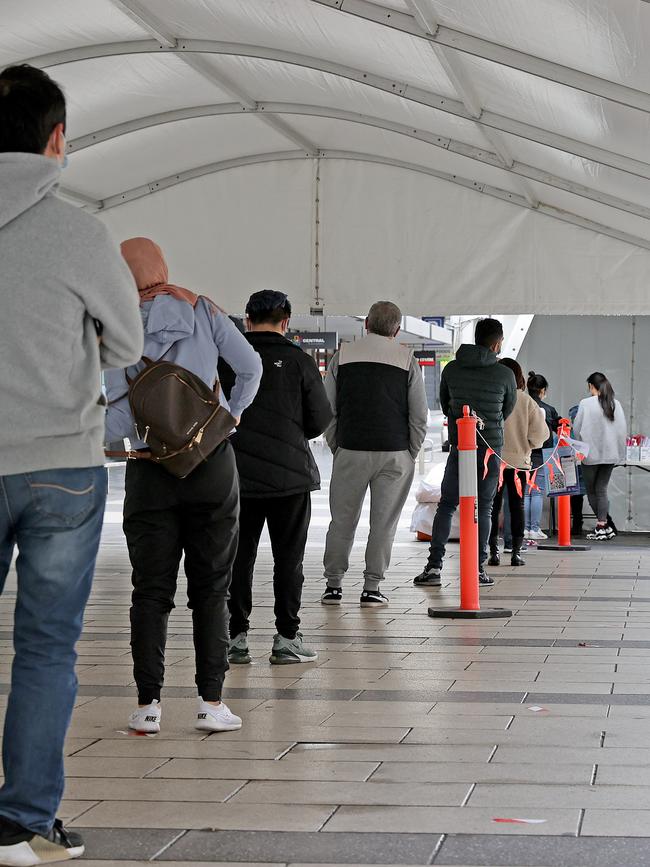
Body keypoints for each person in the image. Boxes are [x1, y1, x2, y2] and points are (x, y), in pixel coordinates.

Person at [0, 65, 144, 864]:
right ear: (57, 141)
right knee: (46, 646)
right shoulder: (80, 231)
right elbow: (125, 345)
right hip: (60, 463)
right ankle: (22, 823)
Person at [104, 238, 262, 735]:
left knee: (149, 590)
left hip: (150, 470)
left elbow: (113, 417)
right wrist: (227, 418)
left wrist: (134, 434)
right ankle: (211, 703)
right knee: (212, 589)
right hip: (210, 463)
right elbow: (250, 368)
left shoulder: (115, 324)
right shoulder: (204, 310)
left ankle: (148, 706)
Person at [224, 291, 332, 665]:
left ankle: (234, 638)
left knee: (238, 558)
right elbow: (319, 422)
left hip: (237, 477)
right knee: (290, 560)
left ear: (247, 320)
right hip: (290, 479)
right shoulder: (300, 362)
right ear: (286, 322)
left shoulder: (227, 361)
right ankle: (287, 638)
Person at [321, 302, 428, 607]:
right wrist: (410, 451)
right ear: (396, 329)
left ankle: (333, 585)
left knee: (342, 520)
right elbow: (419, 414)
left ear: (366, 323)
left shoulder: (343, 356)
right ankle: (371, 588)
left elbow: (329, 408)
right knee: (384, 523)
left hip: (350, 449)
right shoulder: (407, 359)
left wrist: (336, 443)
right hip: (394, 452)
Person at [414, 318, 517, 587]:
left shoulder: (452, 369)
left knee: (447, 505)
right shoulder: (505, 374)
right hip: (489, 451)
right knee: (484, 506)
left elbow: (445, 403)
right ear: (497, 343)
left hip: (461, 446)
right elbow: (506, 410)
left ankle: (434, 566)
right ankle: (477, 568)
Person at [487, 360, 548, 567]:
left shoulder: (491, 396)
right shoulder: (526, 401)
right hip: (519, 463)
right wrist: (527, 445)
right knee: (517, 506)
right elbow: (540, 435)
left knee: (493, 507)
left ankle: (493, 552)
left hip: (493, 461)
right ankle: (515, 553)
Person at [573, 372, 627, 541]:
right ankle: (604, 526)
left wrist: (578, 447)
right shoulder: (615, 403)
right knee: (602, 489)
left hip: (590, 454)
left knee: (591, 491)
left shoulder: (585, 403)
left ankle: (602, 527)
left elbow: (577, 428)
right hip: (610, 454)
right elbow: (622, 430)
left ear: (591, 386)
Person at [524, 372, 560, 541]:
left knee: (524, 492)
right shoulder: (549, 410)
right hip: (541, 454)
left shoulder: (522, 406)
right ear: (543, 390)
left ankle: (524, 528)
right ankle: (534, 528)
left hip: (523, 453)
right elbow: (558, 428)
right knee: (536, 493)